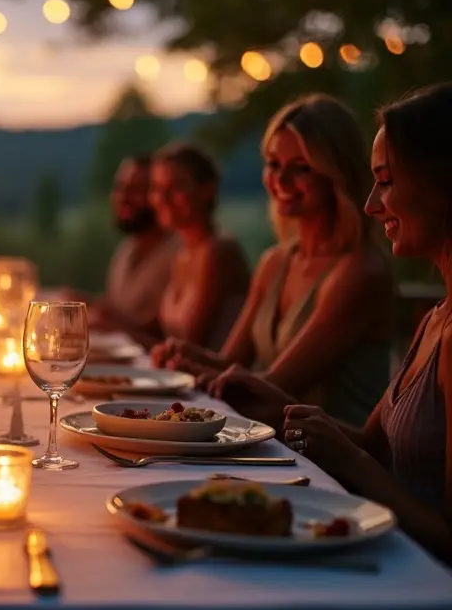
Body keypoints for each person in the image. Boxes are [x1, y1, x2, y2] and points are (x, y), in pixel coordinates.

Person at [210, 83, 452, 563]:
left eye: (386, 181)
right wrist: (286, 409)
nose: (371, 205)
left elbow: (365, 463)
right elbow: (369, 445)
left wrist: (347, 459)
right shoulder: (434, 320)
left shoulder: (364, 275)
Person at [152, 94, 394, 425]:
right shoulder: (275, 262)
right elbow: (231, 363)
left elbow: (276, 387)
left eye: (301, 168)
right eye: (274, 164)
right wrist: (184, 356)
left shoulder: (360, 270)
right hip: (279, 446)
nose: (280, 180)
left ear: (336, 174)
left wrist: (192, 371)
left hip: (333, 464)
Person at [149, 142, 249, 351]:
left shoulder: (218, 251)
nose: (163, 199)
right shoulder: (182, 254)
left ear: (207, 190)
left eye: (175, 187)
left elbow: (189, 343)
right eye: (157, 188)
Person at [93, 154, 179, 338]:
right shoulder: (125, 252)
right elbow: (114, 312)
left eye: (137, 189)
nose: (123, 197)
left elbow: (161, 335)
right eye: (120, 187)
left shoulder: (178, 253)